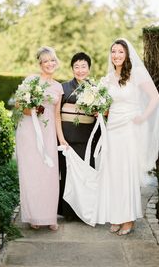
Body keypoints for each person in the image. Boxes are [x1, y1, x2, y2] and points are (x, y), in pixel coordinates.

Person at [59, 38, 159, 234]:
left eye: (120, 52)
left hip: (130, 128)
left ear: (127, 54)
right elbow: (105, 106)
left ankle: (128, 219)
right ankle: (116, 216)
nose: (116, 55)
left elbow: (155, 98)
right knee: (112, 173)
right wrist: (100, 111)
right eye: (113, 52)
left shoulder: (137, 74)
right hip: (112, 128)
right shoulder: (107, 78)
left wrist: (142, 117)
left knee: (126, 172)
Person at [16, 46, 67, 230]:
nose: (50, 64)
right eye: (46, 61)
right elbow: (20, 106)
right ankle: (34, 217)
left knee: (49, 174)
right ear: (40, 64)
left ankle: (49, 216)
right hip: (29, 133)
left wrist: (61, 139)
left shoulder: (58, 87)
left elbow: (57, 116)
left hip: (47, 135)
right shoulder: (31, 80)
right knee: (32, 174)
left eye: (52, 60)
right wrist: (33, 109)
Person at [58, 52, 99, 220]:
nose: (80, 70)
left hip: (86, 139)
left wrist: (99, 113)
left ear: (89, 68)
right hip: (66, 138)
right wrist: (60, 137)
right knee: (66, 174)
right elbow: (56, 113)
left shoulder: (96, 89)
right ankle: (67, 212)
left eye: (84, 66)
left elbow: (103, 114)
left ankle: (84, 211)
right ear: (72, 69)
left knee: (84, 176)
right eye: (77, 67)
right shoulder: (64, 87)